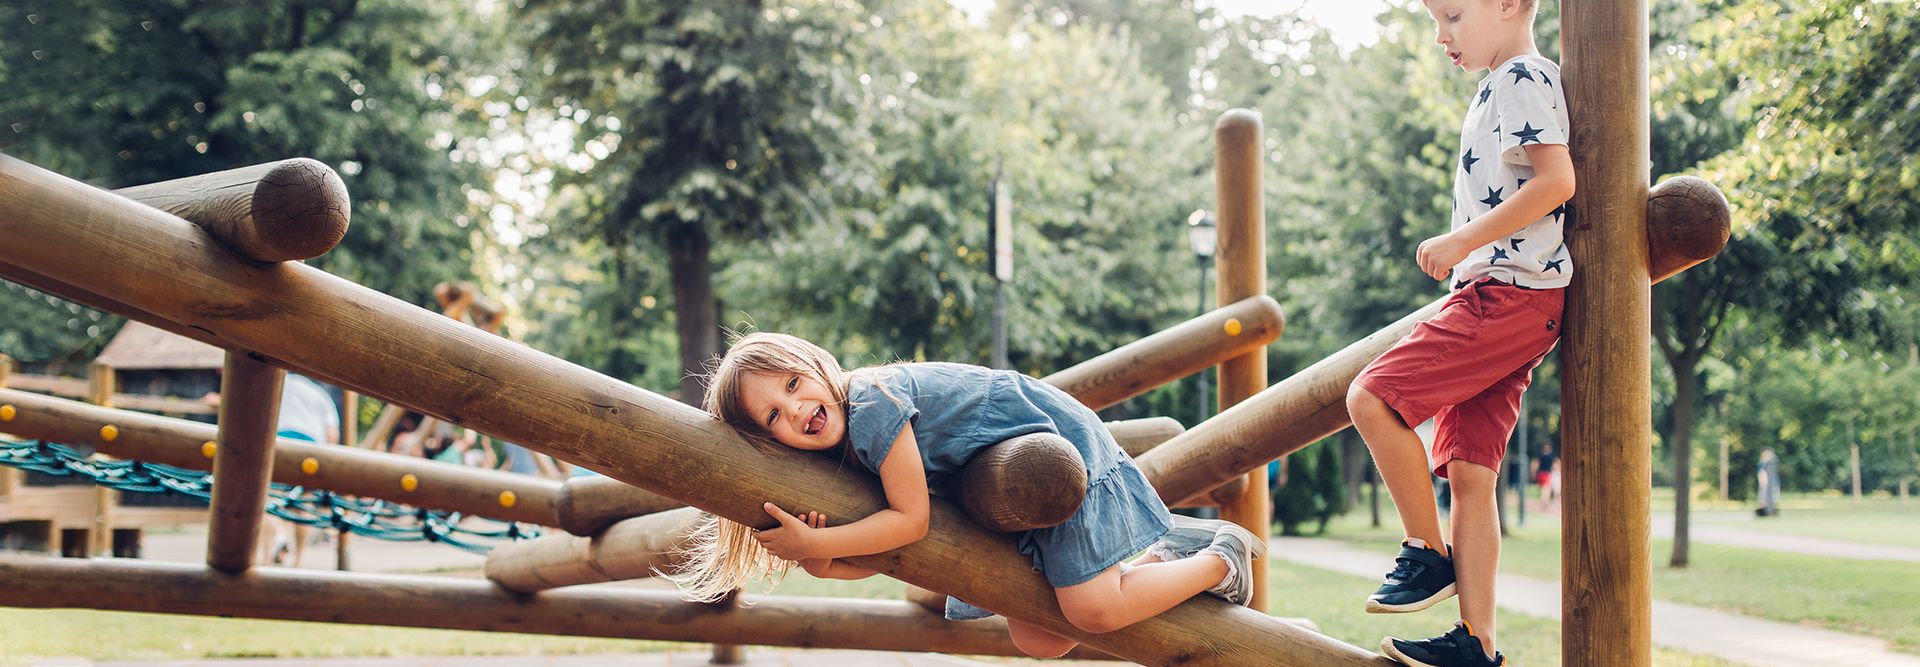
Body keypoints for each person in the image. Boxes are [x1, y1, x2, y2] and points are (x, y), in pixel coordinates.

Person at [670, 332, 1263, 658]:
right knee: (1041, 639)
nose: (796, 409)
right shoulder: (841, 453)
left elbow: (909, 523)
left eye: (794, 384)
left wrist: (821, 540)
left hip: (1055, 450)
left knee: (1093, 610)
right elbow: (886, 555)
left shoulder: (872, 403)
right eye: (774, 415)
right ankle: (1170, 555)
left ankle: (1219, 557)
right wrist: (821, 562)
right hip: (1009, 493)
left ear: (817, 365)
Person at [1343, 0, 1575, 664]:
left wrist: (1460, 240)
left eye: (1451, 15)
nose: (1441, 34)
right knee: (1471, 472)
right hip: (1513, 298)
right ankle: (1477, 643)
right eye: (1433, 20)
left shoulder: (1521, 77)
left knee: (1372, 397)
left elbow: (1558, 180)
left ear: (1509, 5)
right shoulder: (1498, 83)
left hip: (1506, 294)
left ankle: (1426, 553)